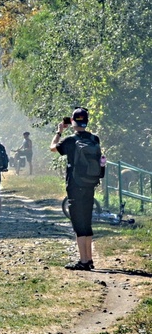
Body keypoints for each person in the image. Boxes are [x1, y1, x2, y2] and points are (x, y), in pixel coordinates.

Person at [50, 107, 103, 271]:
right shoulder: (94, 139)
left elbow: (53, 147)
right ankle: (89, 258)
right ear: (86, 121)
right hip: (90, 184)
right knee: (87, 221)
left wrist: (59, 131)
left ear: (72, 122)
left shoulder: (70, 140)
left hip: (75, 185)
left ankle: (83, 261)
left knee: (78, 223)